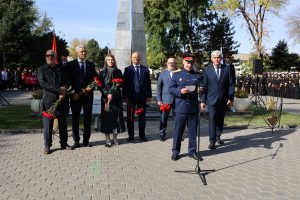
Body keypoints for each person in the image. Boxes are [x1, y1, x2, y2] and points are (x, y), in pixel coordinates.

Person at [37, 50, 73, 154]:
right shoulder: (41, 69)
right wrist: (59, 90)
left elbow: (68, 80)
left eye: (52, 55)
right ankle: (47, 145)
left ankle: (64, 143)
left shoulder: (61, 68)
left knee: (63, 123)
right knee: (48, 125)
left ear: (55, 56)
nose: (49, 57)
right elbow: (43, 84)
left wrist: (64, 89)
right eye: (47, 55)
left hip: (62, 100)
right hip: (49, 101)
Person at [169, 53, 202, 161]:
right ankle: (175, 151)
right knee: (178, 131)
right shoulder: (176, 75)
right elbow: (170, 89)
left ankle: (192, 151)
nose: (189, 64)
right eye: (187, 62)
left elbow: (203, 88)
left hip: (193, 108)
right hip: (181, 108)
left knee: (193, 131)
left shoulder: (197, 75)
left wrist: (201, 90)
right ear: (183, 62)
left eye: (191, 62)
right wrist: (180, 91)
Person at [200, 50, 235, 150]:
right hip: (211, 100)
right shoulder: (207, 70)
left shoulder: (227, 69)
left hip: (223, 100)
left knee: (220, 119)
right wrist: (203, 101)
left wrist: (231, 98)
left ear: (221, 58)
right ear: (211, 59)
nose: (216, 59)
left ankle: (218, 136)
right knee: (212, 120)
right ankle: (212, 141)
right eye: (214, 57)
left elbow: (231, 85)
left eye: (218, 57)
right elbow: (205, 86)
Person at [69, 45, 96, 148]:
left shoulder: (91, 65)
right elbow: (68, 81)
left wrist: (91, 87)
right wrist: (72, 93)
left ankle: (86, 140)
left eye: (85, 51)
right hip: (75, 97)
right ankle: (76, 141)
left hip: (88, 96)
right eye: (82, 52)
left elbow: (95, 80)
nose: (84, 53)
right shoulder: (70, 65)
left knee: (87, 119)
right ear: (77, 53)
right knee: (75, 119)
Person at [123, 52, 152, 142]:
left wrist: (149, 96)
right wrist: (125, 96)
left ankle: (142, 135)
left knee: (142, 118)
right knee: (130, 118)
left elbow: (148, 84)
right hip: (131, 98)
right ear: (131, 58)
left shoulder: (145, 69)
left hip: (142, 98)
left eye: (138, 57)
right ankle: (131, 135)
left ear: (140, 58)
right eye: (134, 57)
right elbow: (125, 84)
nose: (136, 58)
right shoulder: (127, 70)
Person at [98, 55, 126, 147]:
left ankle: (115, 137)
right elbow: (100, 86)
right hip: (106, 100)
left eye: (112, 59)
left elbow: (122, 84)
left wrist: (116, 87)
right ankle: (107, 138)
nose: (111, 61)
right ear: (106, 61)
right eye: (109, 60)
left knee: (116, 118)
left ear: (114, 61)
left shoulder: (118, 71)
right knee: (107, 119)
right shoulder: (102, 73)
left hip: (116, 99)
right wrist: (107, 94)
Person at [156, 57, 177, 141]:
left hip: (177, 99)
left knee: (177, 118)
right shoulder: (162, 73)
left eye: (173, 63)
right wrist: (159, 99)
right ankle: (162, 133)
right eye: (169, 63)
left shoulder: (179, 73)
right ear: (167, 64)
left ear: (175, 64)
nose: (171, 64)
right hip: (165, 100)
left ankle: (178, 134)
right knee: (163, 118)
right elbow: (159, 88)